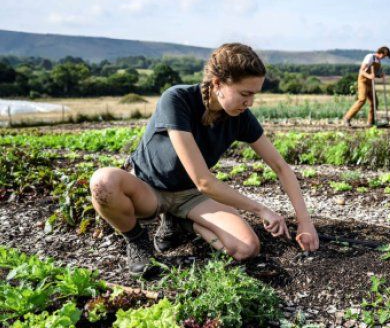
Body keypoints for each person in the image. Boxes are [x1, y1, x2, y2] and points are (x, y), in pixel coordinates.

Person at [89, 43, 320, 277]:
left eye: (254, 95)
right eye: (245, 94)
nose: (250, 102)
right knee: (103, 182)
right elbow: (204, 181)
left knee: (247, 248)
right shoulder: (177, 99)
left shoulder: (241, 117)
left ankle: (180, 222)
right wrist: (261, 209)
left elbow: (281, 167)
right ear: (218, 83)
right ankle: (137, 241)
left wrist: (305, 222)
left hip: (190, 196)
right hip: (148, 190)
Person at [343, 46, 390, 127]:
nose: (384, 57)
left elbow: (375, 74)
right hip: (363, 81)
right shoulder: (370, 57)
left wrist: (380, 75)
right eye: (385, 55)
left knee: (374, 102)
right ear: (381, 53)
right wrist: (369, 76)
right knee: (362, 100)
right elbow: (361, 70)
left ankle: (370, 122)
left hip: (370, 83)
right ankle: (347, 118)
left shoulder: (378, 61)